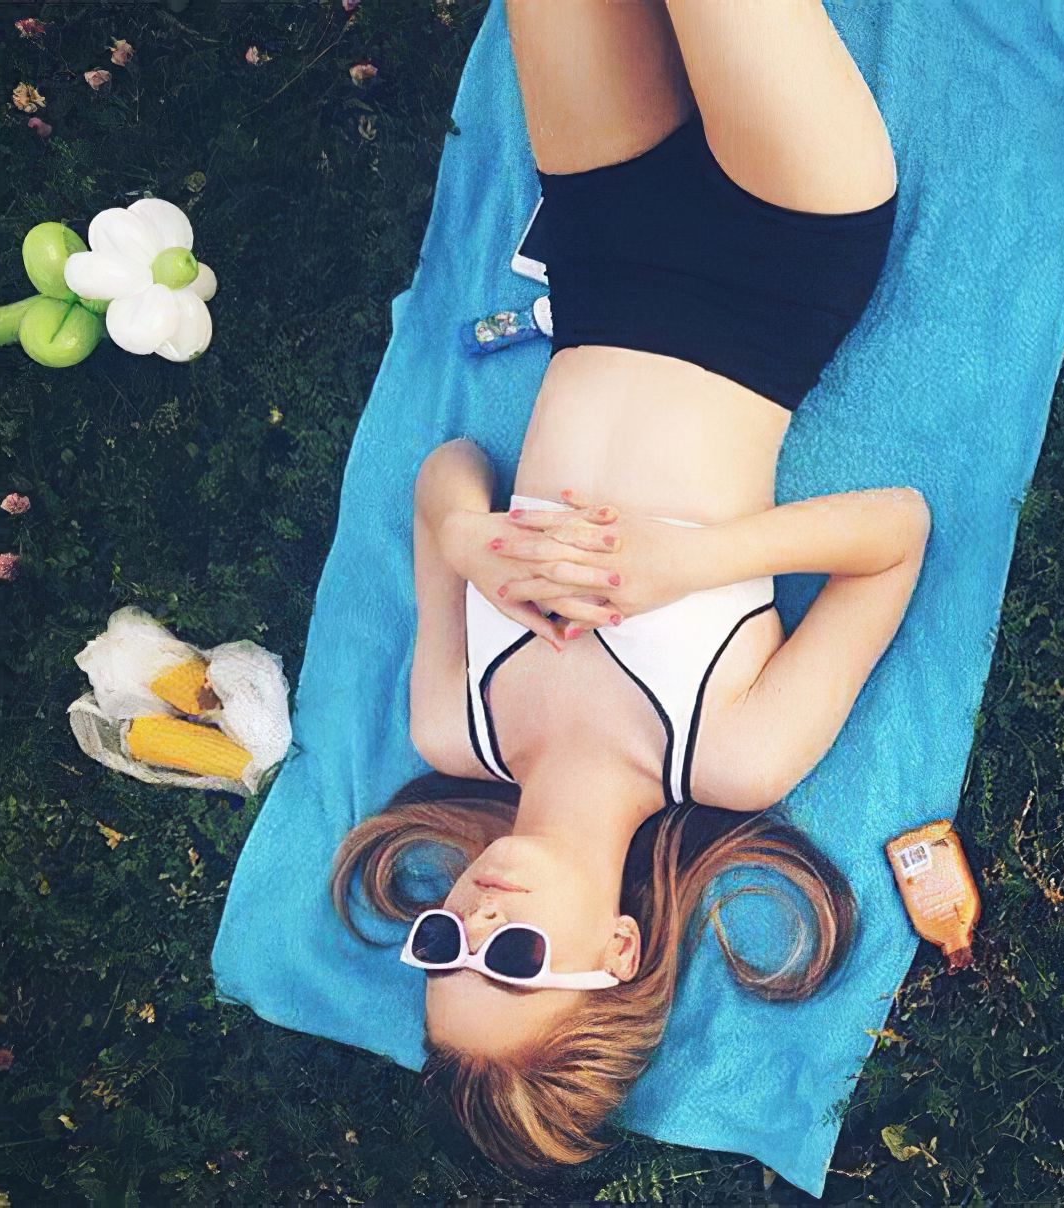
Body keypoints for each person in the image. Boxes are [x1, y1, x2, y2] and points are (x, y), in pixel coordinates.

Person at [330, 0, 930, 1174]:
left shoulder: (455, 724)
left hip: (601, 245)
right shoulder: (730, 755)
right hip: (784, 256)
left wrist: (467, 540)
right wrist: (692, 560)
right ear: (614, 950)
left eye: (441, 944)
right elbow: (897, 533)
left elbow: (445, 471)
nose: (478, 918)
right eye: (513, 961)